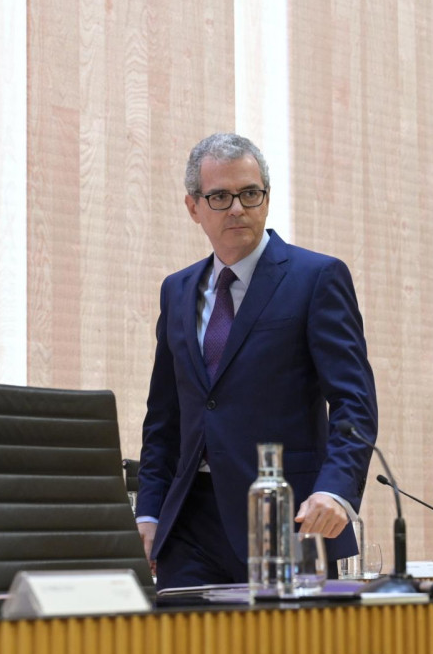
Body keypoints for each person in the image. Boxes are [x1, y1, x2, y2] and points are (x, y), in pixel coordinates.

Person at [136, 133, 378, 589]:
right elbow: (164, 418)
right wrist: (148, 511)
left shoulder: (316, 278)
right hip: (189, 523)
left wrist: (335, 490)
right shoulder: (177, 291)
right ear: (193, 207)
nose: (237, 209)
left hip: (287, 520)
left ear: (267, 198)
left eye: (250, 194)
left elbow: (354, 402)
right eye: (220, 197)